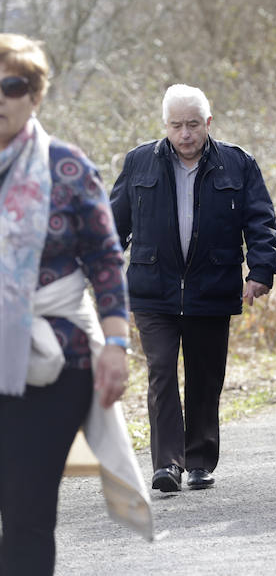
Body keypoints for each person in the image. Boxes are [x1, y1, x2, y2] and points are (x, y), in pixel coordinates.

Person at [0, 33, 129, 574]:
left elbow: (104, 258)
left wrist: (117, 343)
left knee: (27, 513)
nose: (0, 96)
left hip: (56, 361)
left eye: (13, 85)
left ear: (36, 95)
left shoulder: (67, 166)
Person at [110, 84, 276, 492]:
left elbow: (261, 221)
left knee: (205, 376)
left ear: (208, 123)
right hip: (154, 288)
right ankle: (167, 463)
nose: (185, 135)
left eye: (192, 125)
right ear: (164, 126)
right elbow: (113, 223)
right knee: (161, 371)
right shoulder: (139, 163)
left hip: (212, 286)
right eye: (176, 126)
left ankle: (200, 458)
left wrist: (261, 270)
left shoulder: (237, 164)